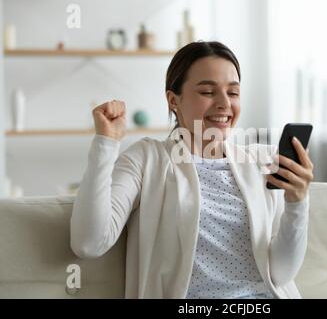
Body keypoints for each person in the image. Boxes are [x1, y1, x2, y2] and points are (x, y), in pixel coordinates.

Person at [70, 41, 314, 299]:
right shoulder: (147, 159)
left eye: (233, 93)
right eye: (208, 92)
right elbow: (89, 242)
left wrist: (297, 203)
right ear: (173, 100)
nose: (224, 104)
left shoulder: (262, 161)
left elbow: (281, 274)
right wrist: (106, 144)